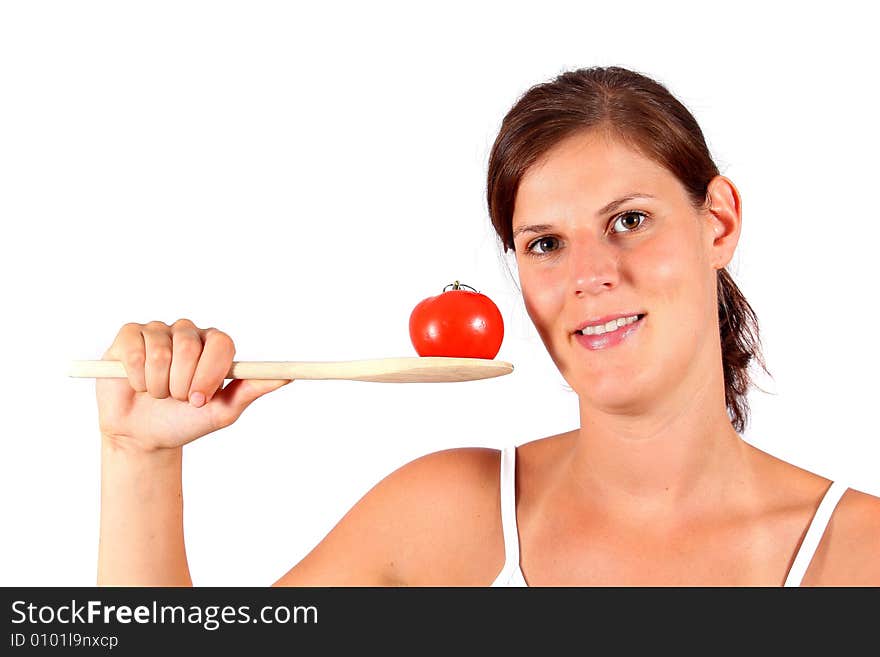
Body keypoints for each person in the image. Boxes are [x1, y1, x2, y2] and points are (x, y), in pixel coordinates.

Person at [95, 66, 880, 587]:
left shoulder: (861, 554)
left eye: (630, 219)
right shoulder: (446, 515)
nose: (588, 276)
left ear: (718, 222)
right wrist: (139, 458)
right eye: (545, 243)